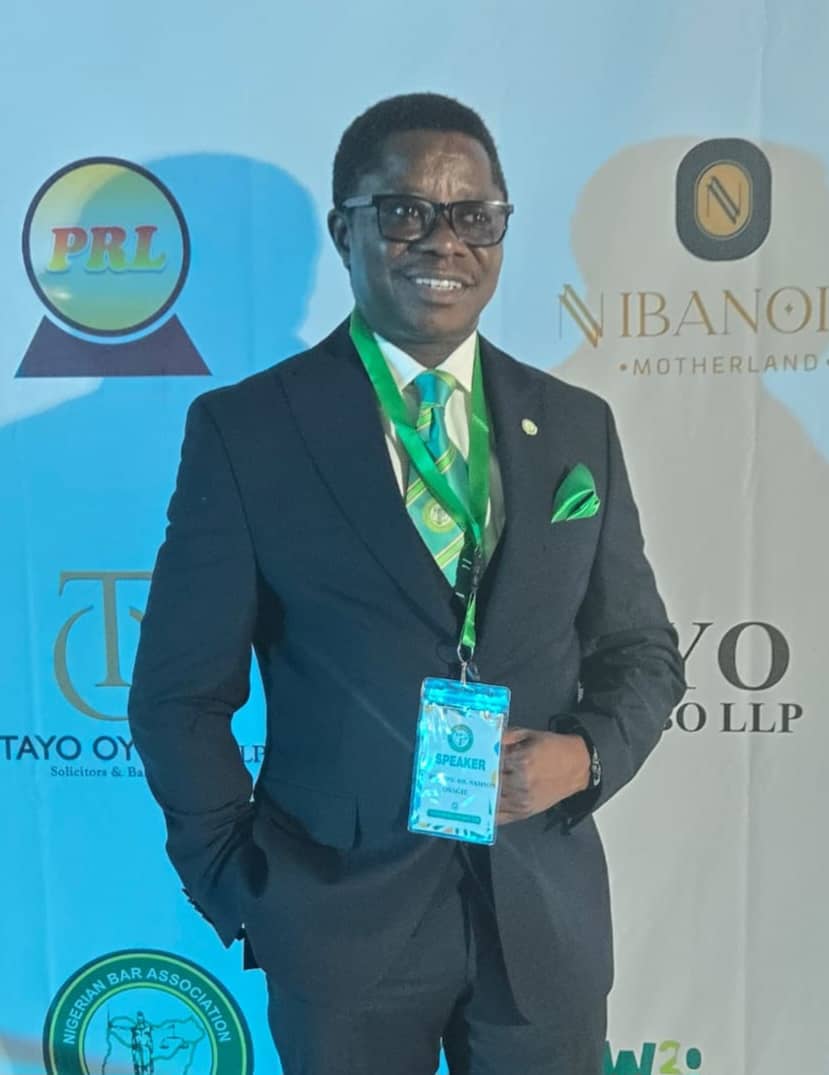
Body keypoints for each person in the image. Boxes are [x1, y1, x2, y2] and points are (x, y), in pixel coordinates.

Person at [128, 92, 686, 1075]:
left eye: (474, 215)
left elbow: (641, 651)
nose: (444, 240)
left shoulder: (573, 426)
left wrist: (586, 756)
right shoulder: (249, 432)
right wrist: (239, 885)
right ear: (342, 229)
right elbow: (178, 694)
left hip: (540, 925)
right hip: (337, 925)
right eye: (404, 211)